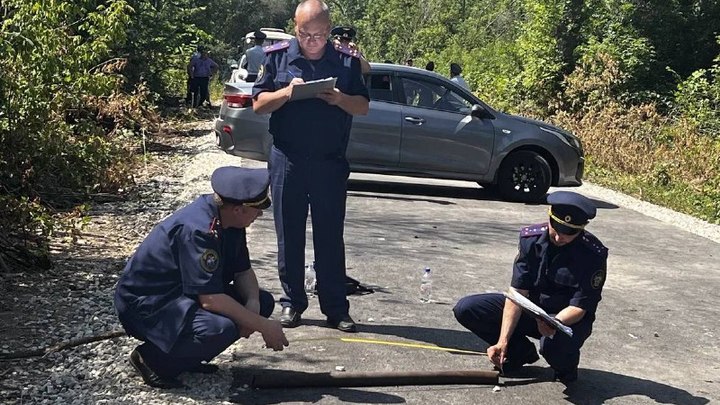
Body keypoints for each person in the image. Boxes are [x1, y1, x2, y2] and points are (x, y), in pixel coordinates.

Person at [252, 0, 369, 333]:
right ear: (295, 27)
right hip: (287, 159)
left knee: (330, 236)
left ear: (329, 30)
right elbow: (259, 104)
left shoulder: (346, 63)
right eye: (306, 34)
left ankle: (335, 308)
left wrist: (340, 99)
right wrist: (287, 92)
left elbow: (362, 107)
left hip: (329, 163)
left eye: (319, 34)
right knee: (289, 234)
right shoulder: (276, 57)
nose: (313, 40)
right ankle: (292, 303)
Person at [114, 167, 289, 389]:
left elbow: (242, 271)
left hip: (183, 295)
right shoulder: (199, 230)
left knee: (261, 302)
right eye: (257, 209)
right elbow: (210, 299)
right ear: (238, 209)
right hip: (149, 304)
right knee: (218, 328)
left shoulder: (230, 220)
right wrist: (263, 325)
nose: (261, 214)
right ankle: (151, 360)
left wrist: (253, 309)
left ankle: (187, 357)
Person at [453, 191, 608, 385]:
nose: (559, 237)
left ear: (581, 229)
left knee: (552, 345)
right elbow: (517, 293)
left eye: (568, 233)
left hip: (567, 320)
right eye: (556, 228)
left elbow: (580, 306)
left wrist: (555, 322)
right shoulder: (530, 239)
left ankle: (565, 367)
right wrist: (503, 341)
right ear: (549, 217)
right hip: (532, 312)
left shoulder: (593, 254)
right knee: (467, 308)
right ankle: (518, 352)